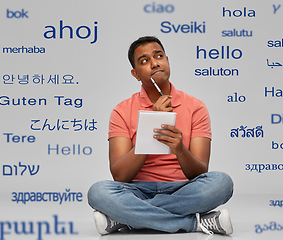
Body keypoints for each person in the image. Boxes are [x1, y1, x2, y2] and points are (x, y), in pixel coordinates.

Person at [87, 36, 234, 236]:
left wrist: (180, 149)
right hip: (136, 190)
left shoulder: (196, 107)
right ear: (136, 74)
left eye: (159, 56)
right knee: (98, 192)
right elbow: (120, 176)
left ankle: (127, 218)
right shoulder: (122, 110)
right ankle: (194, 224)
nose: (155, 63)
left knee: (222, 183)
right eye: (144, 61)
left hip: (183, 189)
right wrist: (152, 127)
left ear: (167, 60)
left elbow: (199, 172)